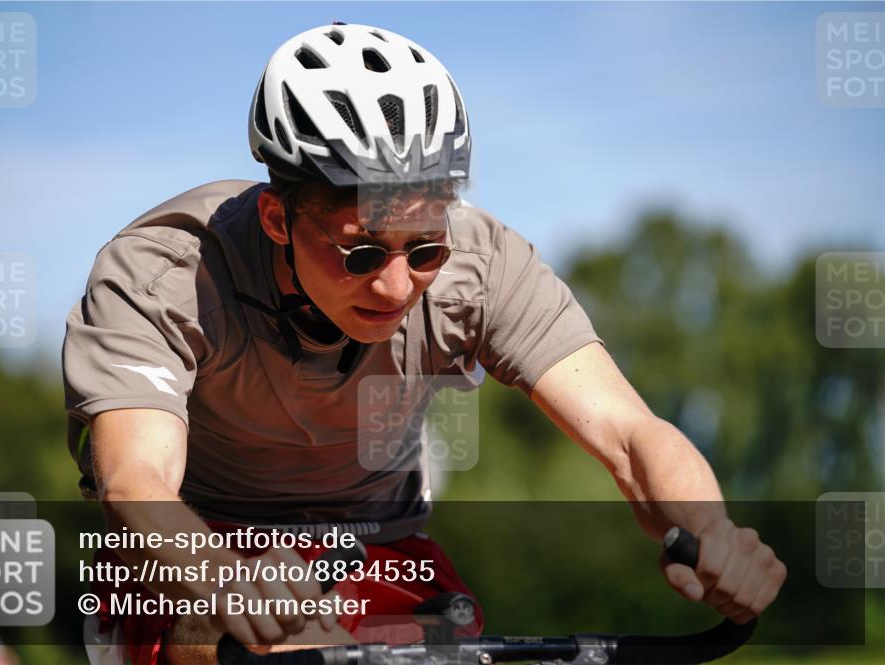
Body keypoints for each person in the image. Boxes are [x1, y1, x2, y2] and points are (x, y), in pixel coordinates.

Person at [62, 22, 786, 665]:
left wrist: (713, 534)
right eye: (360, 252)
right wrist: (226, 581)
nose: (396, 286)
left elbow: (628, 435)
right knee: (263, 640)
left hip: (379, 546)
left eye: (425, 249)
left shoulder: (482, 262)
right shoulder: (167, 272)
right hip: (193, 550)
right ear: (278, 219)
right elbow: (136, 483)